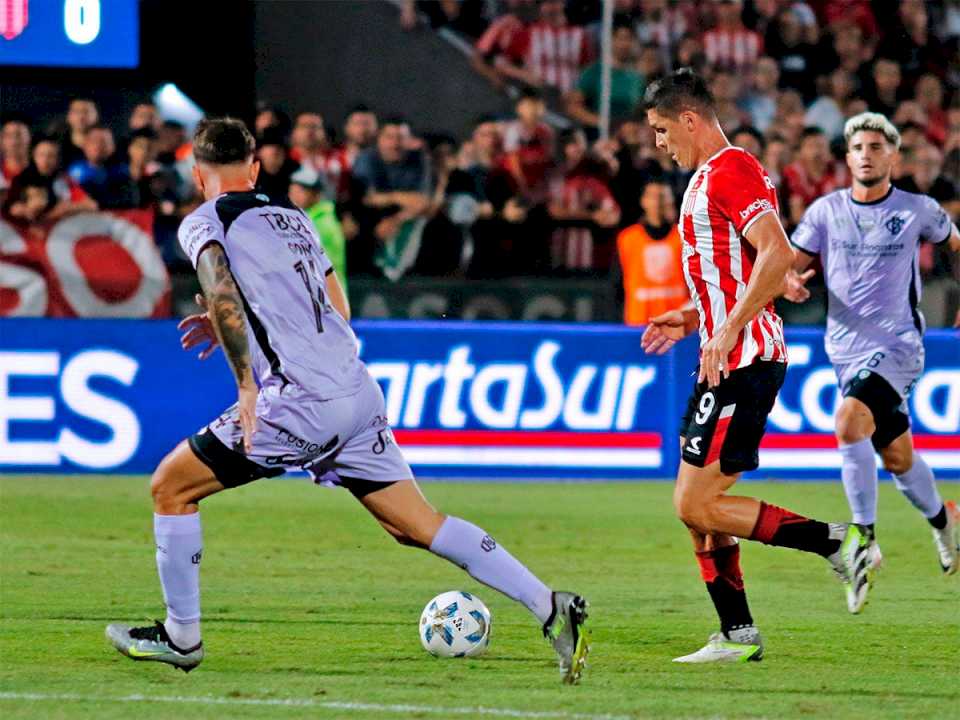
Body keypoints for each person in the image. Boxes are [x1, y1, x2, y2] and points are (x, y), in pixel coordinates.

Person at [104, 118, 591, 683]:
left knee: (171, 486)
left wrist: (244, 382)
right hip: (356, 392)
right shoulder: (296, 218)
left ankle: (181, 635)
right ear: (256, 168)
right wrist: (238, 321)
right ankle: (551, 605)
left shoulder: (205, 221)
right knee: (416, 524)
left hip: (297, 402)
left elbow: (220, 289)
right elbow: (338, 307)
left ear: (197, 173)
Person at [641, 70, 875, 664]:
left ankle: (840, 545)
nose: (660, 143)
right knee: (702, 513)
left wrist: (727, 326)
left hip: (743, 359)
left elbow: (775, 252)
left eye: (662, 130)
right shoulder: (705, 179)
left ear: (689, 120)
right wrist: (695, 316)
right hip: (724, 353)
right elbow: (744, 273)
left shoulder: (733, 169)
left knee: (694, 503)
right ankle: (737, 634)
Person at [784, 112, 960, 575]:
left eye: (876, 147)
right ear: (848, 157)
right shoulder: (824, 211)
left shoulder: (917, 209)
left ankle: (863, 539)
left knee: (847, 422)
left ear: (893, 156)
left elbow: (955, 243)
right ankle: (945, 522)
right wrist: (790, 282)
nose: (866, 155)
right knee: (898, 456)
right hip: (845, 351)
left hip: (899, 344)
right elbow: (789, 265)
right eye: (859, 148)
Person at [614, 180, 686, 325]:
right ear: (643, 201)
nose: (658, 202)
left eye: (663, 196)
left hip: (680, 324)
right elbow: (615, 285)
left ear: (671, 201)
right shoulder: (627, 239)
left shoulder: (685, 237)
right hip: (639, 323)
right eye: (653, 196)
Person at [288, 164, 349, 293]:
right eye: (293, 190)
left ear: (316, 194)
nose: (295, 195)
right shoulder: (303, 218)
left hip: (327, 299)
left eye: (302, 190)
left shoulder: (322, 222)